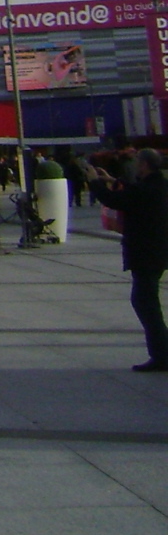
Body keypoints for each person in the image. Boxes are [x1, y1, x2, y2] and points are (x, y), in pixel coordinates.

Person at [86, 150, 168, 372]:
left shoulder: (147, 190)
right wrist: (113, 180)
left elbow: (114, 200)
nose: (134, 166)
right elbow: (134, 192)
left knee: (145, 303)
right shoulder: (158, 185)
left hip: (146, 253)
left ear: (144, 165)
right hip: (155, 253)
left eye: (137, 163)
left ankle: (162, 354)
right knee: (146, 301)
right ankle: (162, 351)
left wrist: (94, 183)